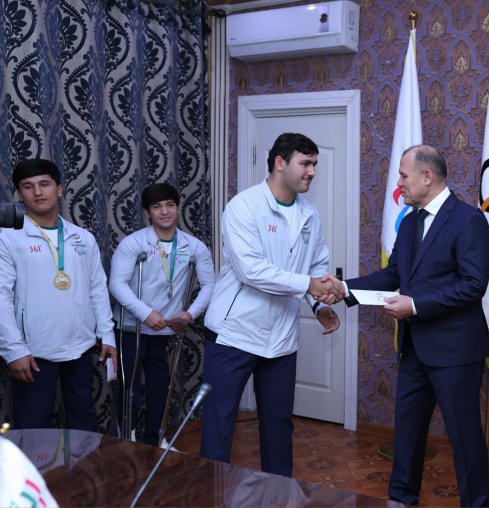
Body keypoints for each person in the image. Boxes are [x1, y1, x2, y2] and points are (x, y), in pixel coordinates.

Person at [323, 144, 489, 506]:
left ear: (427, 176)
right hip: (415, 348)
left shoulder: (468, 220)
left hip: (456, 352)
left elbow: (473, 285)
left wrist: (415, 305)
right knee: (407, 433)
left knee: (464, 439)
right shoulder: (411, 220)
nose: (399, 184)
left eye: (403, 175)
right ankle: (400, 500)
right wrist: (345, 289)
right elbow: (393, 275)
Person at [200, 132, 342, 476]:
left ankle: (279, 494)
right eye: (305, 163)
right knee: (218, 425)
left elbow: (314, 267)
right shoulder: (243, 207)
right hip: (233, 335)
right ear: (280, 163)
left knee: (279, 427)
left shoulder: (310, 215)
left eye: (315, 164)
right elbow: (252, 271)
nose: (312, 171)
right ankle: (208, 493)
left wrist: (319, 305)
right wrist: (309, 285)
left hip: (281, 341)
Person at [0, 158, 117, 431]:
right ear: (20, 194)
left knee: (83, 422)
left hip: (81, 347)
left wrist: (107, 335)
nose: (37, 192)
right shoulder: (8, 238)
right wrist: (13, 350)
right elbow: (1, 297)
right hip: (33, 352)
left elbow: (97, 289)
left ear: (59, 189)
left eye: (44, 184)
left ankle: (83, 462)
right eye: (28, 186)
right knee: (34, 429)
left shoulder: (82, 237)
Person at [108, 182, 216, 445]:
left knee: (160, 388)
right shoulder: (134, 243)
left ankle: (155, 440)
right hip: (131, 328)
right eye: (157, 207)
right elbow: (116, 284)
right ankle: (128, 438)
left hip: (166, 328)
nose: (165, 212)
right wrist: (145, 313)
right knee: (130, 388)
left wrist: (190, 314)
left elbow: (210, 284)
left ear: (178, 208)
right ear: (148, 212)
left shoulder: (193, 246)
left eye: (170, 205)